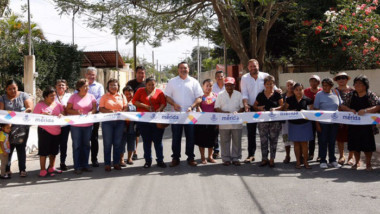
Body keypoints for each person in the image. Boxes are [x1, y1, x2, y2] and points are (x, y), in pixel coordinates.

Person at [164, 61, 203, 167]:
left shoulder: (194, 82)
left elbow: (199, 98)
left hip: (191, 115)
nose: (183, 70)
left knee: (191, 137)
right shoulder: (172, 81)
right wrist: (174, 104)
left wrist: (192, 106)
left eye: (185, 68)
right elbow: (167, 97)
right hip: (176, 115)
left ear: (188, 69)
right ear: (178, 70)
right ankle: (175, 158)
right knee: (176, 137)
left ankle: (191, 158)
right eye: (181, 68)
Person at [340, 75, 380, 171]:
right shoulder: (351, 94)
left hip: (368, 126)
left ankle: (368, 164)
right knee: (355, 145)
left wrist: (366, 110)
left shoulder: (370, 95)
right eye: (356, 83)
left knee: (368, 146)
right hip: (354, 125)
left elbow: (378, 106)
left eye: (360, 84)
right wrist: (350, 109)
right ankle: (356, 162)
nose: (357, 85)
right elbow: (342, 106)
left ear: (365, 86)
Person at [241, 59, 277, 163]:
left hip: (265, 108)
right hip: (251, 108)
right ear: (248, 68)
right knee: (251, 133)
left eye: (255, 66)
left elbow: (273, 87)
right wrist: (245, 104)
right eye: (251, 66)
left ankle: (267, 157)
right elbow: (244, 93)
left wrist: (278, 90)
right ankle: (251, 155)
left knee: (266, 133)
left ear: (258, 66)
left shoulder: (265, 75)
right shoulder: (244, 78)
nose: (253, 68)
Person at [0, 80, 33, 177]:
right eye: (9, 89)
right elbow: (1, 112)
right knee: (8, 148)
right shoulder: (2, 98)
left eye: (14, 88)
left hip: (22, 128)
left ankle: (22, 169)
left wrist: (24, 112)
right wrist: (11, 117)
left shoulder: (24, 95)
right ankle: (7, 169)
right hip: (7, 128)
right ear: (6, 89)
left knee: (21, 148)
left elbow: (30, 108)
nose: (12, 90)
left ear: (17, 87)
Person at [133, 77, 167, 168]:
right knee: (146, 141)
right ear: (145, 84)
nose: (151, 86)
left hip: (156, 120)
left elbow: (164, 103)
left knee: (158, 141)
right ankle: (148, 161)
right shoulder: (140, 91)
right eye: (149, 85)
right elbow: (134, 101)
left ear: (155, 84)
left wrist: (159, 109)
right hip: (143, 120)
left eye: (153, 84)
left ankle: (160, 160)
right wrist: (145, 106)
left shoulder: (159, 92)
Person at [66, 79, 97, 174]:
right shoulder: (73, 97)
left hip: (88, 125)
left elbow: (95, 108)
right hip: (76, 125)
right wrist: (76, 112)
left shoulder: (91, 96)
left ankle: (85, 165)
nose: (87, 88)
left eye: (88, 86)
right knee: (77, 146)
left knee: (86, 145)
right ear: (79, 88)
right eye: (85, 86)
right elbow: (68, 109)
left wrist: (91, 112)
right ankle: (77, 166)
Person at [33, 86, 65, 177]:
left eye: (54, 95)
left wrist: (61, 114)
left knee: (54, 151)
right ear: (45, 96)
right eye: (51, 96)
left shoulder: (58, 104)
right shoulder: (40, 105)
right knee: (43, 152)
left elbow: (64, 113)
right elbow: (33, 117)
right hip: (44, 131)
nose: (53, 97)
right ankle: (42, 170)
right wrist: (42, 114)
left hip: (56, 131)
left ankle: (52, 167)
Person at [253, 75, 283, 168]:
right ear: (264, 85)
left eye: (271, 84)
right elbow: (254, 106)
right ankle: (264, 158)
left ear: (274, 84)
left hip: (275, 121)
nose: (269, 86)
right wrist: (259, 108)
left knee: (274, 140)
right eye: (268, 84)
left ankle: (272, 159)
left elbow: (283, 106)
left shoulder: (277, 94)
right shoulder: (260, 94)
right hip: (262, 121)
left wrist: (276, 109)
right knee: (263, 140)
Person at [99, 78, 127, 172]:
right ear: (108, 87)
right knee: (107, 143)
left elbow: (125, 107)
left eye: (115, 85)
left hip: (119, 122)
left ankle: (116, 163)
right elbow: (101, 109)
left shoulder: (122, 96)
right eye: (111, 85)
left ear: (118, 87)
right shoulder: (104, 97)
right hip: (107, 122)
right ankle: (107, 163)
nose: (113, 87)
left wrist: (122, 112)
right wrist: (110, 111)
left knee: (117, 143)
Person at [215, 77, 244, 166]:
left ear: (234, 86)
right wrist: (223, 112)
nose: (229, 87)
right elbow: (216, 107)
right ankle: (226, 158)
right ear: (225, 86)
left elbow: (242, 107)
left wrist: (238, 112)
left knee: (237, 141)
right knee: (224, 141)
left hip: (236, 122)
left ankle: (236, 158)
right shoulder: (220, 94)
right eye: (227, 85)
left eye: (231, 85)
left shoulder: (239, 94)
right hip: (224, 122)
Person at [313, 78, 342, 169]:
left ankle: (332, 160)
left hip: (334, 123)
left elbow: (339, 107)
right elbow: (316, 109)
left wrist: (340, 120)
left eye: (327, 85)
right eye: (323, 85)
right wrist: (317, 123)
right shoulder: (319, 94)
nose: (325, 87)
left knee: (332, 141)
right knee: (323, 141)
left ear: (331, 86)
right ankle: (322, 160)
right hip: (322, 123)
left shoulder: (336, 93)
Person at [284, 83, 313, 169]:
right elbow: (285, 109)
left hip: (305, 124)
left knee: (305, 144)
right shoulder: (289, 100)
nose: (298, 91)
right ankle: (298, 162)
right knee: (296, 144)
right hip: (293, 124)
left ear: (303, 90)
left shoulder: (308, 100)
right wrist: (290, 111)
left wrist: (306, 111)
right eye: (296, 90)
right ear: (293, 91)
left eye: (300, 89)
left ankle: (306, 162)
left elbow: (312, 111)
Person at [333, 72, 355, 165]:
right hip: (339, 117)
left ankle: (351, 156)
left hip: (351, 116)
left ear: (347, 79)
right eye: (339, 78)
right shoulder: (334, 91)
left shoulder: (353, 90)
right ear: (336, 80)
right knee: (340, 137)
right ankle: (341, 155)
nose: (341, 79)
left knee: (352, 137)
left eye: (343, 77)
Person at [85, 67, 105, 167]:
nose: (91, 76)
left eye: (93, 75)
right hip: (83, 116)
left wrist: (91, 108)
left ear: (95, 76)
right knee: (84, 139)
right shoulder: (80, 85)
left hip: (95, 114)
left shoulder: (99, 86)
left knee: (94, 138)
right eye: (89, 74)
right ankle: (83, 161)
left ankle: (94, 159)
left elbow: (100, 99)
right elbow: (76, 97)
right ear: (86, 75)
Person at [195, 79, 218, 164]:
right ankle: (202, 157)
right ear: (203, 86)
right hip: (201, 122)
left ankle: (210, 156)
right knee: (202, 140)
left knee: (212, 140)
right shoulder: (200, 97)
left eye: (210, 86)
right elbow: (197, 107)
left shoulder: (216, 96)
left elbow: (218, 108)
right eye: (207, 85)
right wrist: (199, 109)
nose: (208, 87)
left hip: (213, 121)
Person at [127, 65, 146, 160]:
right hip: (132, 111)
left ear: (144, 74)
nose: (141, 75)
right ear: (136, 73)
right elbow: (126, 95)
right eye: (139, 73)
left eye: (142, 73)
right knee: (134, 132)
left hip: (145, 112)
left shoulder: (147, 83)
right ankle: (135, 151)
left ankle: (147, 152)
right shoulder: (130, 83)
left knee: (145, 133)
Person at [54, 79, 72, 171]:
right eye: (59, 85)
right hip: (54, 124)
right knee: (54, 144)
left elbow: (72, 107)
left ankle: (62, 162)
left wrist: (65, 110)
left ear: (66, 87)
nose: (61, 87)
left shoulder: (70, 96)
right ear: (55, 87)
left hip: (65, 124)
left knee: (63, 144)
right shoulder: (52, 96)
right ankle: (51, 164)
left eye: (63, 85)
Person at [304, 75, 322, 161]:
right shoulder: (306, 91)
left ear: (318, 82)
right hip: (309, 117)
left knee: (320, 136)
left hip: (320, 117)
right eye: (311, 81)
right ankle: (310, 154)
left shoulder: (321, 91)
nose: (313, 83)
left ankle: (320, 155)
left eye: (315, 81)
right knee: (311, 137)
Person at [120, 86, 136, 166]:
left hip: (132, 125)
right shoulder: (121, 101)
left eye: (130, 93)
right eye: (126, 94)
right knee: (121, 142)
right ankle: (121, 159)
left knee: (131, 142)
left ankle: (129, 158)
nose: (128, 96)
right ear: (123, 94)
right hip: (122, 125)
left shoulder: (136, 101)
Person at [211, 70, 225, 159]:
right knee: (215, 133)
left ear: (224, 77)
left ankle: (226, 152)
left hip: (225, 112)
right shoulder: (212, 87)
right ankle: (216, 150)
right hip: (215, 112)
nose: (220, 78)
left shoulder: (228, 86)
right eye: (218, 76)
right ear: (215, 78)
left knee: (225, 133)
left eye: (221, 76)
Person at [282, 80, 295, 164]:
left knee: (296, 138)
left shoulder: (297, 95)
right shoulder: (282, 96)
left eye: (291, 85)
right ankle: (287, 155)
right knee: (286, 137)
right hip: (285, 121)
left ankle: (299, 156)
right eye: (288, 85)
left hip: (295, 121)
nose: (290, 86)